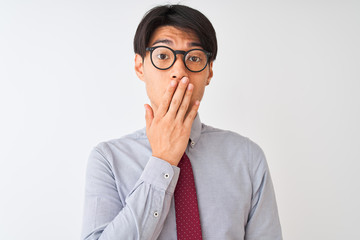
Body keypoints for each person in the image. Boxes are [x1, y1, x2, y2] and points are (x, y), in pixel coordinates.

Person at [81, 4, 282, 240]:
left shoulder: (247, 157)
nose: (179, 71)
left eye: (194, 58)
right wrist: (162, 160)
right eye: (163, 55)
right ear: (139, 66)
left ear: (209, 72)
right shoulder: (108, 159)